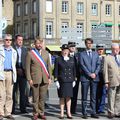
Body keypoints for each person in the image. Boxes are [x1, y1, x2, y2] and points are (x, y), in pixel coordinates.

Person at [26, 37, 52, 120]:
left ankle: (41, 112)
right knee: (35, 97)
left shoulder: (46, 53)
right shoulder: (30, 53)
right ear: (35, 44)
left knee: (42, 98)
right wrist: (29, 79)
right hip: (34, 79)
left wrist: (50, 78)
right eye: (38, 43)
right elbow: (27, 68)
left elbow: (49, 67)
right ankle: (35, 113)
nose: (39, 45)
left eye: (41, 43)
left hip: (45, 78)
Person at [54, 44, 77, 119]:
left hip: (69, 81)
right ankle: (61, 113)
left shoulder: (72, 59)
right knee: (62, 97)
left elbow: (74, 70)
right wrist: (56, 80)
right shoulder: (58, 59)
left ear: (69, 51)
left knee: (69, 97)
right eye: (64, 50)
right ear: (62, 51)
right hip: (62, 81)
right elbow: (56, 71)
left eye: (67, 50)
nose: (65, 52)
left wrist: (74, 79)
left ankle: (69, 113)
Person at [79, 38, 100, 119]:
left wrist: (95, 73)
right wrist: (89, 74)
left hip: (94, 77)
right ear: (85, 44)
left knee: (93, 96)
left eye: (91, 43)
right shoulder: (82, 54)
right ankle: (84, 112)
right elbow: (82, 65)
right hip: (85, 78)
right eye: (88, 43)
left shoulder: (95, 54)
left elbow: (98, 64)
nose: (89, 44)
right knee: (84, 96)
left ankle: (93, 112)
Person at [0, 34, 17, 120]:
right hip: (2, 73)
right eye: (6, 40)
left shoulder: (14, 51)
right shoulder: (0, 49)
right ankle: (1, 113)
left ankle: (8, 112)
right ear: (4, 40)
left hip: (10, 73)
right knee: (1, 95)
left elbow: (14, 64)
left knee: (9, 94)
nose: (8, 41)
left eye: (10, 40)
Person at [12, 34, 28, 114]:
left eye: (21, 40)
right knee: (13, 92)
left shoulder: (25, 49)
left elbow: (27, 62)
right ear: (15, 40)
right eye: (19, 40)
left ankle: (23, 108)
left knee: (23, 92)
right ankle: (12, 109)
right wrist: (16, 69)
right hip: (14, 72)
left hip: (23, 73)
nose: (20, 41)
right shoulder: (12, 48)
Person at [104, 43, 120, 119]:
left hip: (119, 80)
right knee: (111, 97)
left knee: (118, 97)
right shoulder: (107, 58)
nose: (116, 50)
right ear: (111, 49)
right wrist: (106, 81)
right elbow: (105, 71)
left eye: (117, 49)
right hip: (112, 80)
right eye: (114, 49)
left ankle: (117, 112)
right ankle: (110, 112)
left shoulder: (119, 57)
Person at [68, 41, 80, 114]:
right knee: (68, 94)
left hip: (76, 77)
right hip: (68, 77)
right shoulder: (66, 55)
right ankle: (67, 109)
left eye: (74, 46)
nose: (72, 47)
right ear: (68, 47)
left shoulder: (78, 55)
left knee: (75, 94)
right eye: (71, 46)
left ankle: (73, 110)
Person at [96, 44, 107, 114]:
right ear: (97, 50)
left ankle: (101, 108)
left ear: (103, 50)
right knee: (96, 93)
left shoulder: (106, 58)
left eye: (101, 50)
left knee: (103, 93)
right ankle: (96, 108)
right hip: (96, 77)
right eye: (99, 50)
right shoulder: (94, 57)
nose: (100, 51)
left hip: (103, 77)